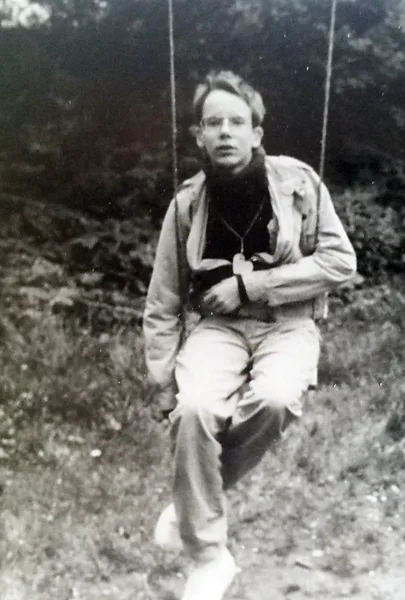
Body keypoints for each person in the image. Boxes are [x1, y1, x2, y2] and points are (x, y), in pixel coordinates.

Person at [143, 70, 356, 600]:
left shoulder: (298, 183)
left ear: (257, 133)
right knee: (194, 409)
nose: (225, 132)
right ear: (199, 136)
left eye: (237, 122)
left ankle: (190, 505)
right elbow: (163, 299)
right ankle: (209, 557)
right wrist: (162, 376)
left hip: (287, 324)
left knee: (278, 399)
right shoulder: (188, 202)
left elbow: (338, 261)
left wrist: (250, 285)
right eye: (213, 122)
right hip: (217, 329)